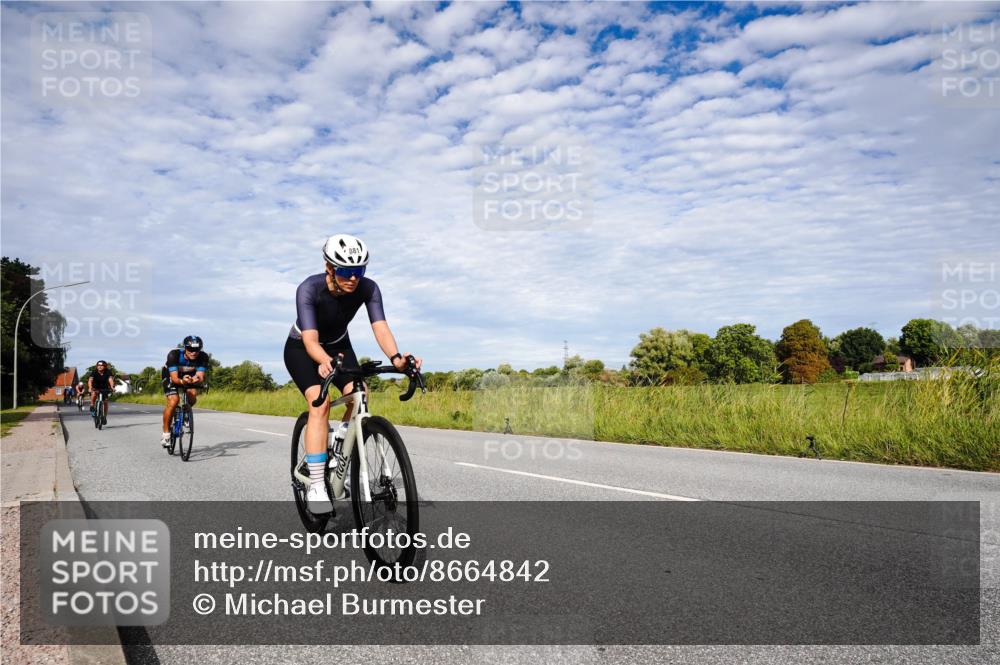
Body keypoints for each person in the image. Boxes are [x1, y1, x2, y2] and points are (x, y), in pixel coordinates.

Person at [284, 234, 421, 509]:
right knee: (319, 405)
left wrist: (396, 357)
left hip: (338, 346)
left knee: (360, 392)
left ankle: (339, 444)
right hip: (302, 348)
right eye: (346, 271)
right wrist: (323, 361)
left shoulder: (369, 289)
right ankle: (318, 485)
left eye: (359, 271)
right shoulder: (308, 289)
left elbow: (380, 326)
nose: (353, 278)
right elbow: (311, 341)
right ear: (329, 268)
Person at [160, 336, 208, 447]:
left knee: (192, 396)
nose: (193, 352)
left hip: (189, 376)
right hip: (172, 376)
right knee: (174, 400)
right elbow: (175, 378)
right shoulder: (174, 355)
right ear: (185, 348)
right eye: (190, 349)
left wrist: (196, 379)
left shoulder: (203, 357)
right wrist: (182, 381)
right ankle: (166, 434)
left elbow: (200, 376)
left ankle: (185, 413)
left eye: (196, 350)